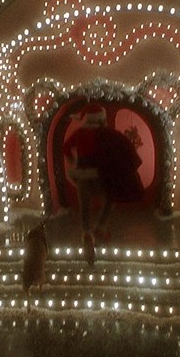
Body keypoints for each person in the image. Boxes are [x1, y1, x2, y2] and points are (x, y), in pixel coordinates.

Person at [63, 103, 144, 266]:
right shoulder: (106, 134)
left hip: (82, 175)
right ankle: (100, 226)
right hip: (100, 175)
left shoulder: (79, 133)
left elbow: (66, 148)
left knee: (84, 204)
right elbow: (123, 148)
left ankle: (87, 232)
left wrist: (73, 161)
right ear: (101, 119)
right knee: (111, 196)